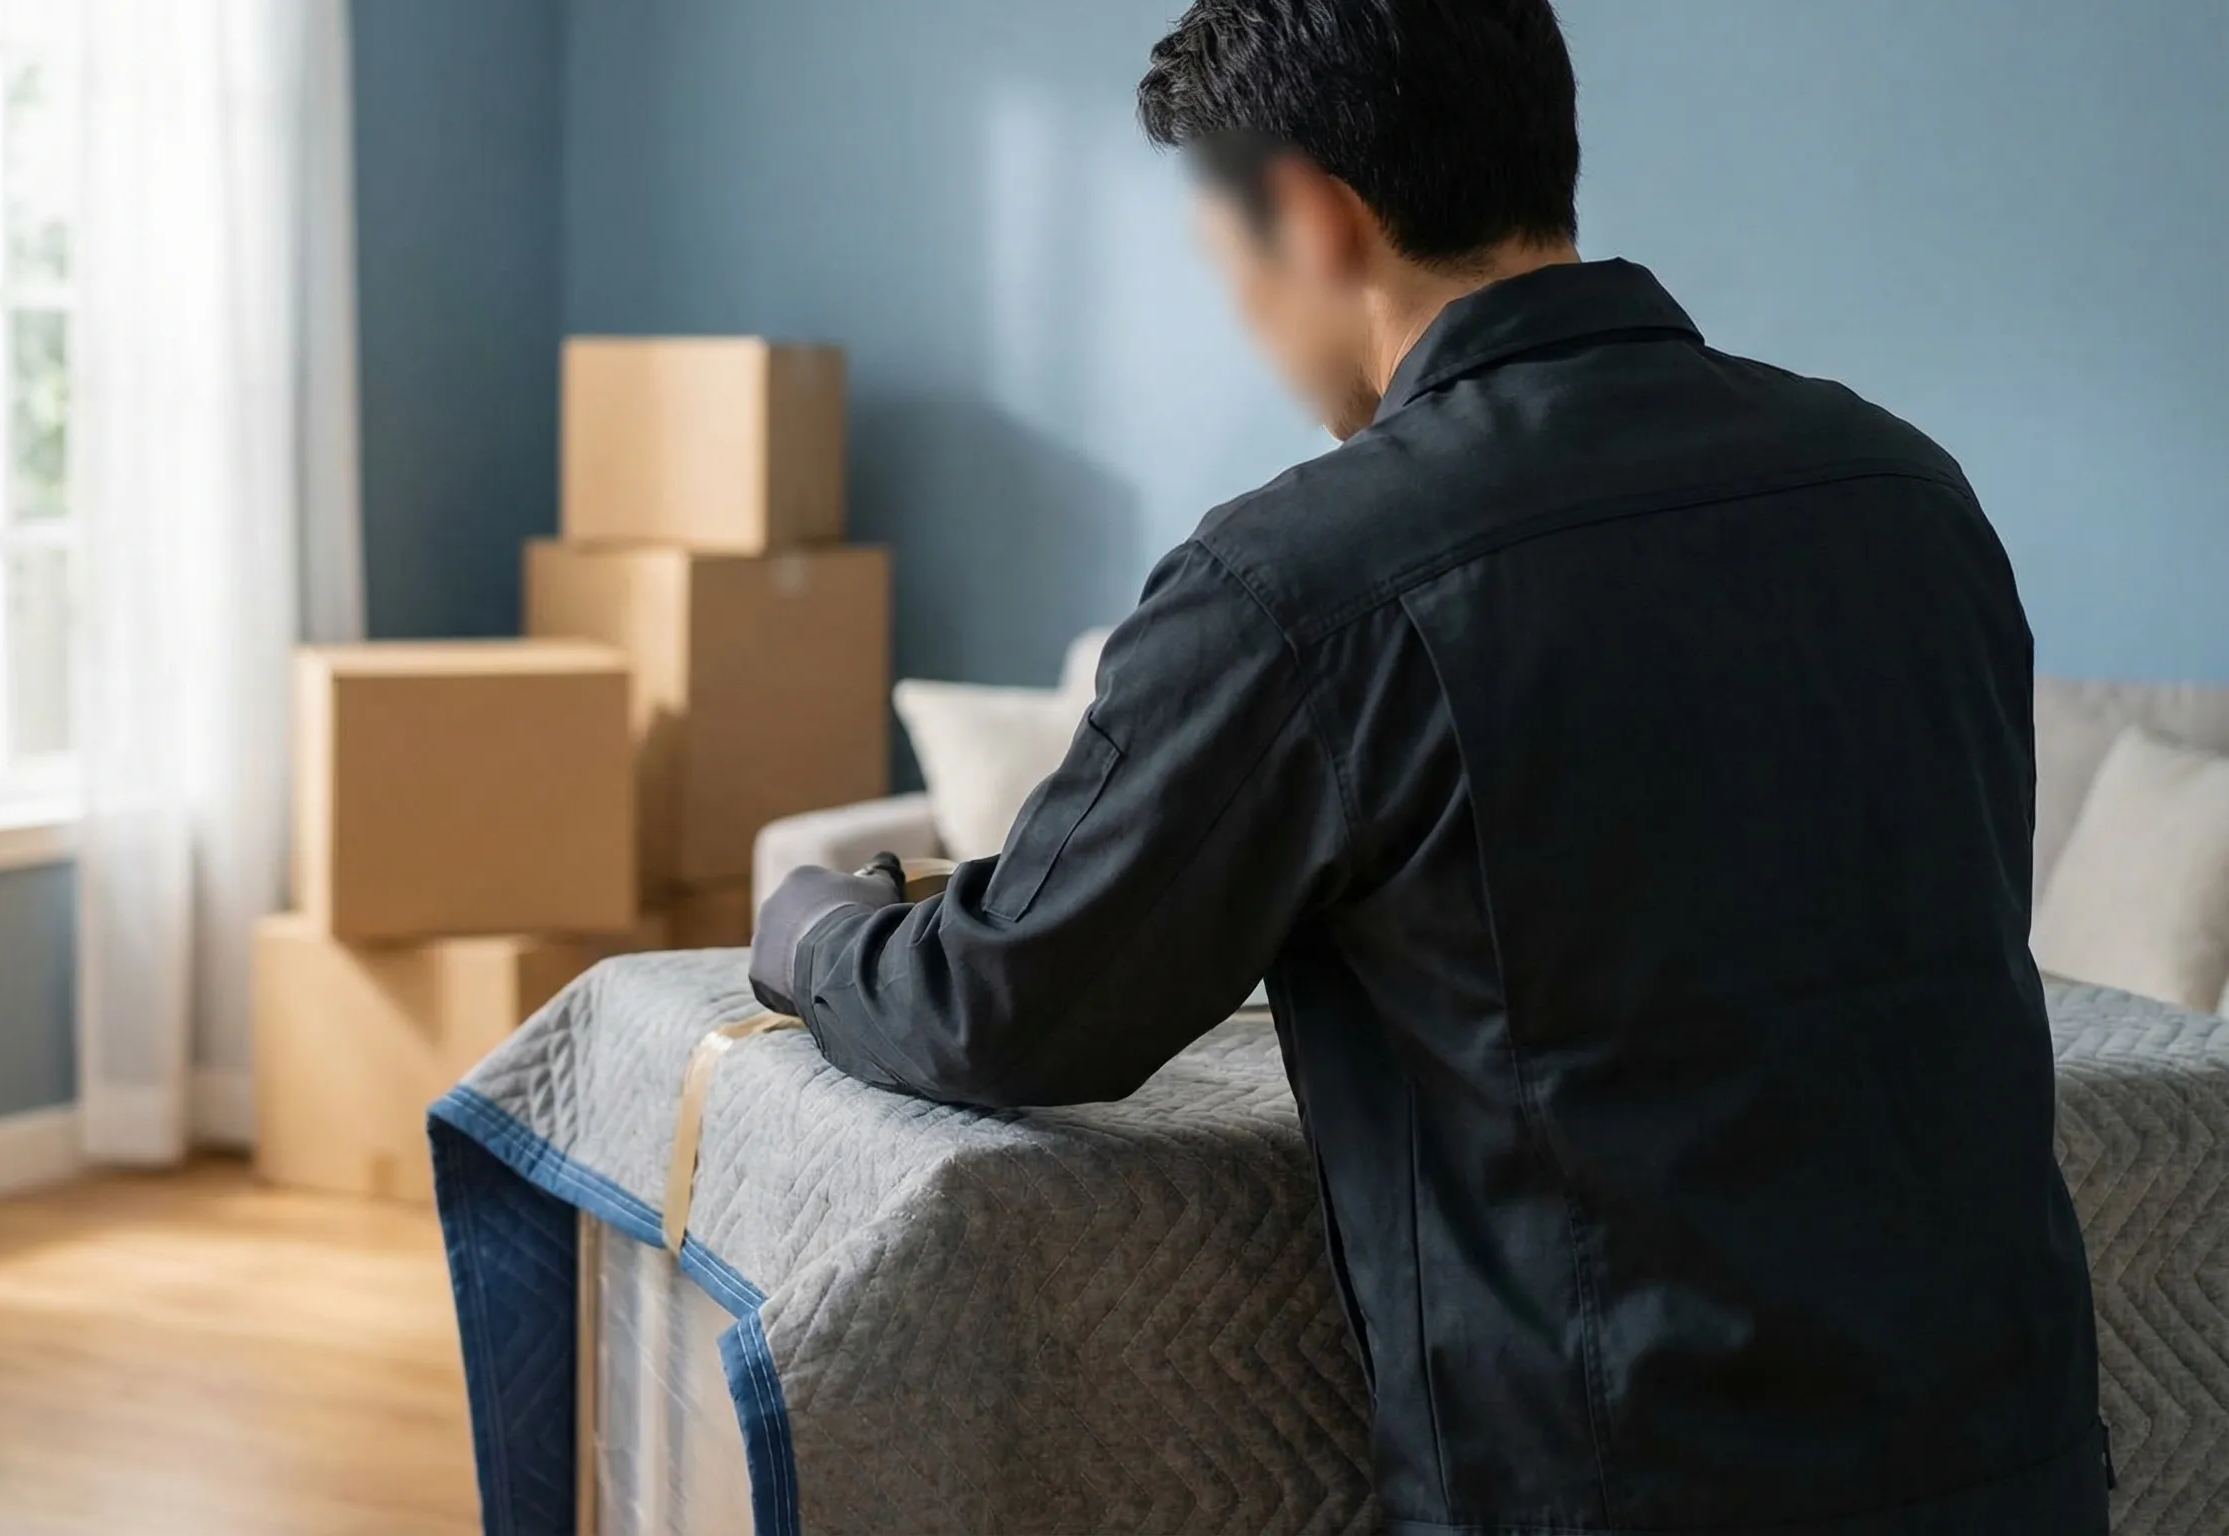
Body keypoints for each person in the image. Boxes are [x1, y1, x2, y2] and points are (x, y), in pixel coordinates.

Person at [747, 1, 2107, 1531]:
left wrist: (815, 935)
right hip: (2020, 1460)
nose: (1246, 322)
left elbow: (1009, 1004)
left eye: (1226, 264)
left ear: (1316, 217)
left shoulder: (1303, 580)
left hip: (1624, 1491)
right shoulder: (1908, 493)